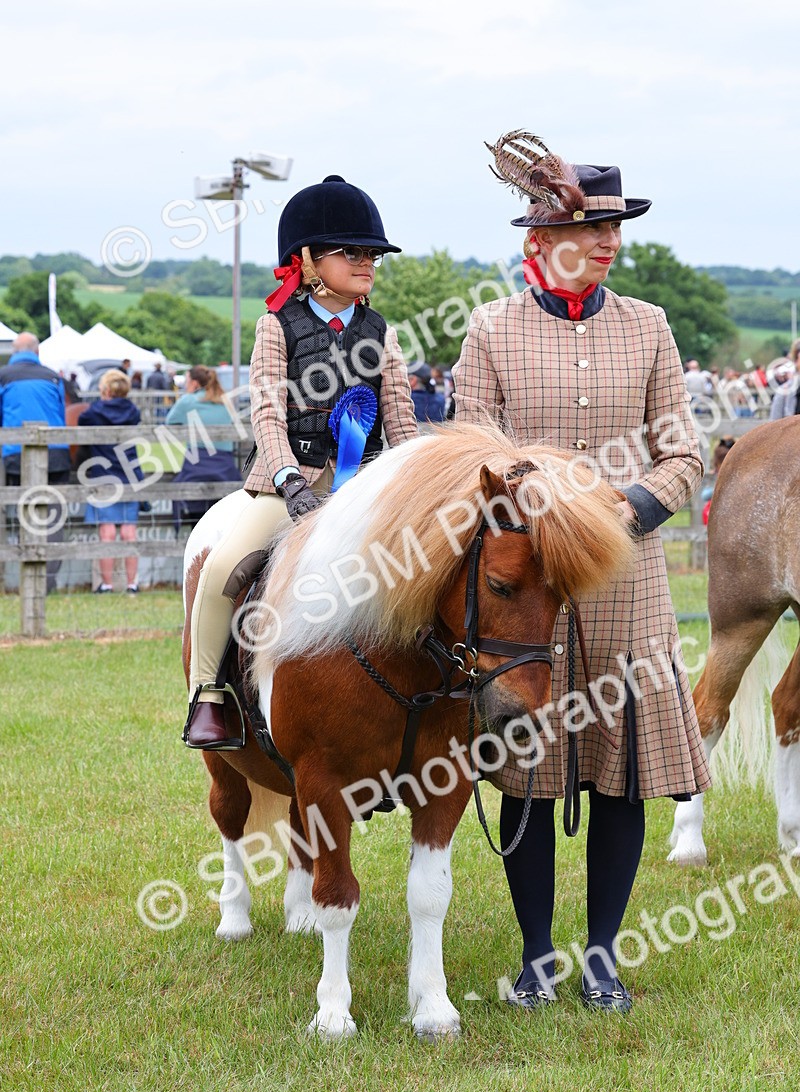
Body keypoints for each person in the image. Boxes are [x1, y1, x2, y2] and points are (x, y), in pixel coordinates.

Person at [453, 132, 711, 1013]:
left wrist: (631, 510)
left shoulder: (650, 326)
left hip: (627, 582)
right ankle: (536, 956)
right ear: (539, 242)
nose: (608, 244)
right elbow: (472, 448)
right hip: (527, 586)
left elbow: (682, 451)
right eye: (590, 230)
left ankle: (602, 956)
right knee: (528, 762)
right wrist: (549, 512)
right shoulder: (490, 329)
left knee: (623, 766)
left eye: (614, 231)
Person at [183, 174, 419, 749]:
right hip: (285, 483)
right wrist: (290, 481)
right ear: (308, 259)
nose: (367, 263)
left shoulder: (380, 331)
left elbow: (400, 414)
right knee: (224, 566)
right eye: (351, 252)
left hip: (364, 487)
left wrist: (415, 478)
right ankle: (209, 696)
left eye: (372, 254)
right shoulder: (277, 324)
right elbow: (267, 410)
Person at [0, 331, 69, 593]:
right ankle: (47, 582)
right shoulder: (53, 376)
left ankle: (26, 582)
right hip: (57, 453)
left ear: (15, 352)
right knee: (54, 517)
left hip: (17, 454)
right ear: (37, 352)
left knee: (24, 514)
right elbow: (60, 413)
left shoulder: (3, 376)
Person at [77, 369, 143, 594]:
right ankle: (132, 584)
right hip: (129, 475)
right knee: (129, 532)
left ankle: (106, 585)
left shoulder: (93, 412)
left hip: (102, 475)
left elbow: (81, 421)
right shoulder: (133, 412)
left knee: (107, 533)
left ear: (105, 390)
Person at [166, 365, 241, 526]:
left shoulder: (188, 400)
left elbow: (170, 422)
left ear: (194, 383)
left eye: (187, 380)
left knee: (197, 518)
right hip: (225, 467)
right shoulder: (225, 401)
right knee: (221, 519)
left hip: (197, 465)